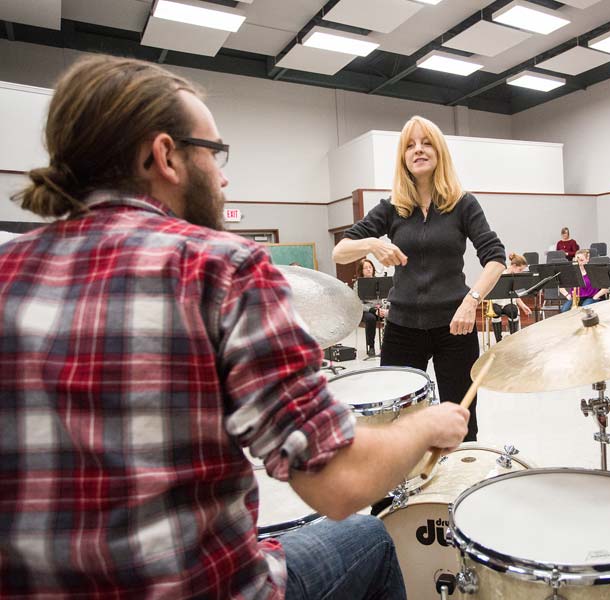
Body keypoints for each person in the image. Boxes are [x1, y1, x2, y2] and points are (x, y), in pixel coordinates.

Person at [0, 55, 470, 599]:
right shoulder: (220, 267)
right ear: (165, 156)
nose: (222, 175)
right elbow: (341, 484)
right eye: (215, 153)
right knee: (365, 531)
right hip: (201, 588)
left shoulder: (8, 269)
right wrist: (426, 425)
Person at [333, 115, 506, 442]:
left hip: (456, 326)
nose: (419, 150)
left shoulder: (463, 204)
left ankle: (455, 486)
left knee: (460, 423)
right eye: (410, 145)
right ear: (403, 158)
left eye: (426, 142)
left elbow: (495, 258)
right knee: (391, 420)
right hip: (403, 328)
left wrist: (472, 302)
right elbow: (340, 252)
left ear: (439, 151)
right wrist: (371, 243)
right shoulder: (391, 208)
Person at [489, 252, 533, 342]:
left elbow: (515, 294)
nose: (521, 272)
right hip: (496, 302)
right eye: (520, 269)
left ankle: (513, 339)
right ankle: (499, 340)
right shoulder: (500, 272)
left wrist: (523, 306)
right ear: (513, 265)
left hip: (508, 303)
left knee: (513, 310)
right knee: (496, 311)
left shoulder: (515, 277)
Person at [354, 257, 388, 357]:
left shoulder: (380, 282)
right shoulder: (358, 284)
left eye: (370, 267)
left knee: (391, 315)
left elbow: (385, 298)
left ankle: (387, 346)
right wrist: (373, 310)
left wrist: (382, 309)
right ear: (362, 271)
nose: (369, 269)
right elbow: (358, 303)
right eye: (366, 268)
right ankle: (371, 346)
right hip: (367, 311)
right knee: (370, 318)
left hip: (379, 308)